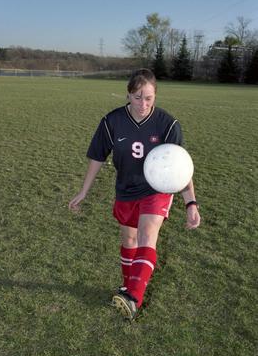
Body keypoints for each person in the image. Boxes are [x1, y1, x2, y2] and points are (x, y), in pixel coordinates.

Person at [69, 68, 200, 321]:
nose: (143, 104)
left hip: (156, 190)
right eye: (138, 97)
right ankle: (127, 286)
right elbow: (97, 157)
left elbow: (180, 167)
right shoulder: (112, 121)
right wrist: (84, 191)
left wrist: (190, 203)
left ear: (155, 97)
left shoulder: (168, 124)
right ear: (128, 95)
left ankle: (133, 297)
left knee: (146, 235)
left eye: (149, 98)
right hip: (126, 189)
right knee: (129, 240)